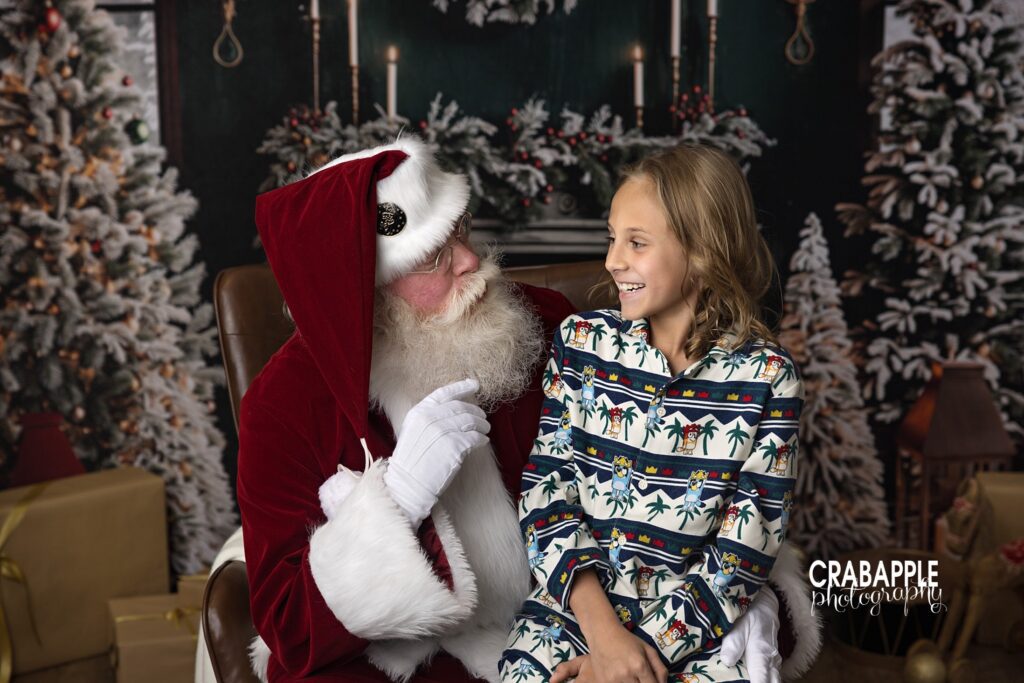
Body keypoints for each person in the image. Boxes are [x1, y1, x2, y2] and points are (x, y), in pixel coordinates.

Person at [217, 138, 819, 683]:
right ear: (363, 295)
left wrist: (735, 606)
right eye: (434, 257)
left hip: (592, 617)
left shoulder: (544, 322)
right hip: (435, 655)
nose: (470, 261)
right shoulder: (287, 406)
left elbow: (710, 500)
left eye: (463, 231)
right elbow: (289, 631)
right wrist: (395, 502)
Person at [500, 143, 809, 683]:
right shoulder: (581, 345)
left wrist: (640, 658)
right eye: (611, 238)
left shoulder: (767, 379)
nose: (613, 260)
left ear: (704, 251)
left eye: (636, 243)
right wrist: (604, 637)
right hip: (574, 611)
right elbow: (546, 492)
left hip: (696, 628)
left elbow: (743, 551)